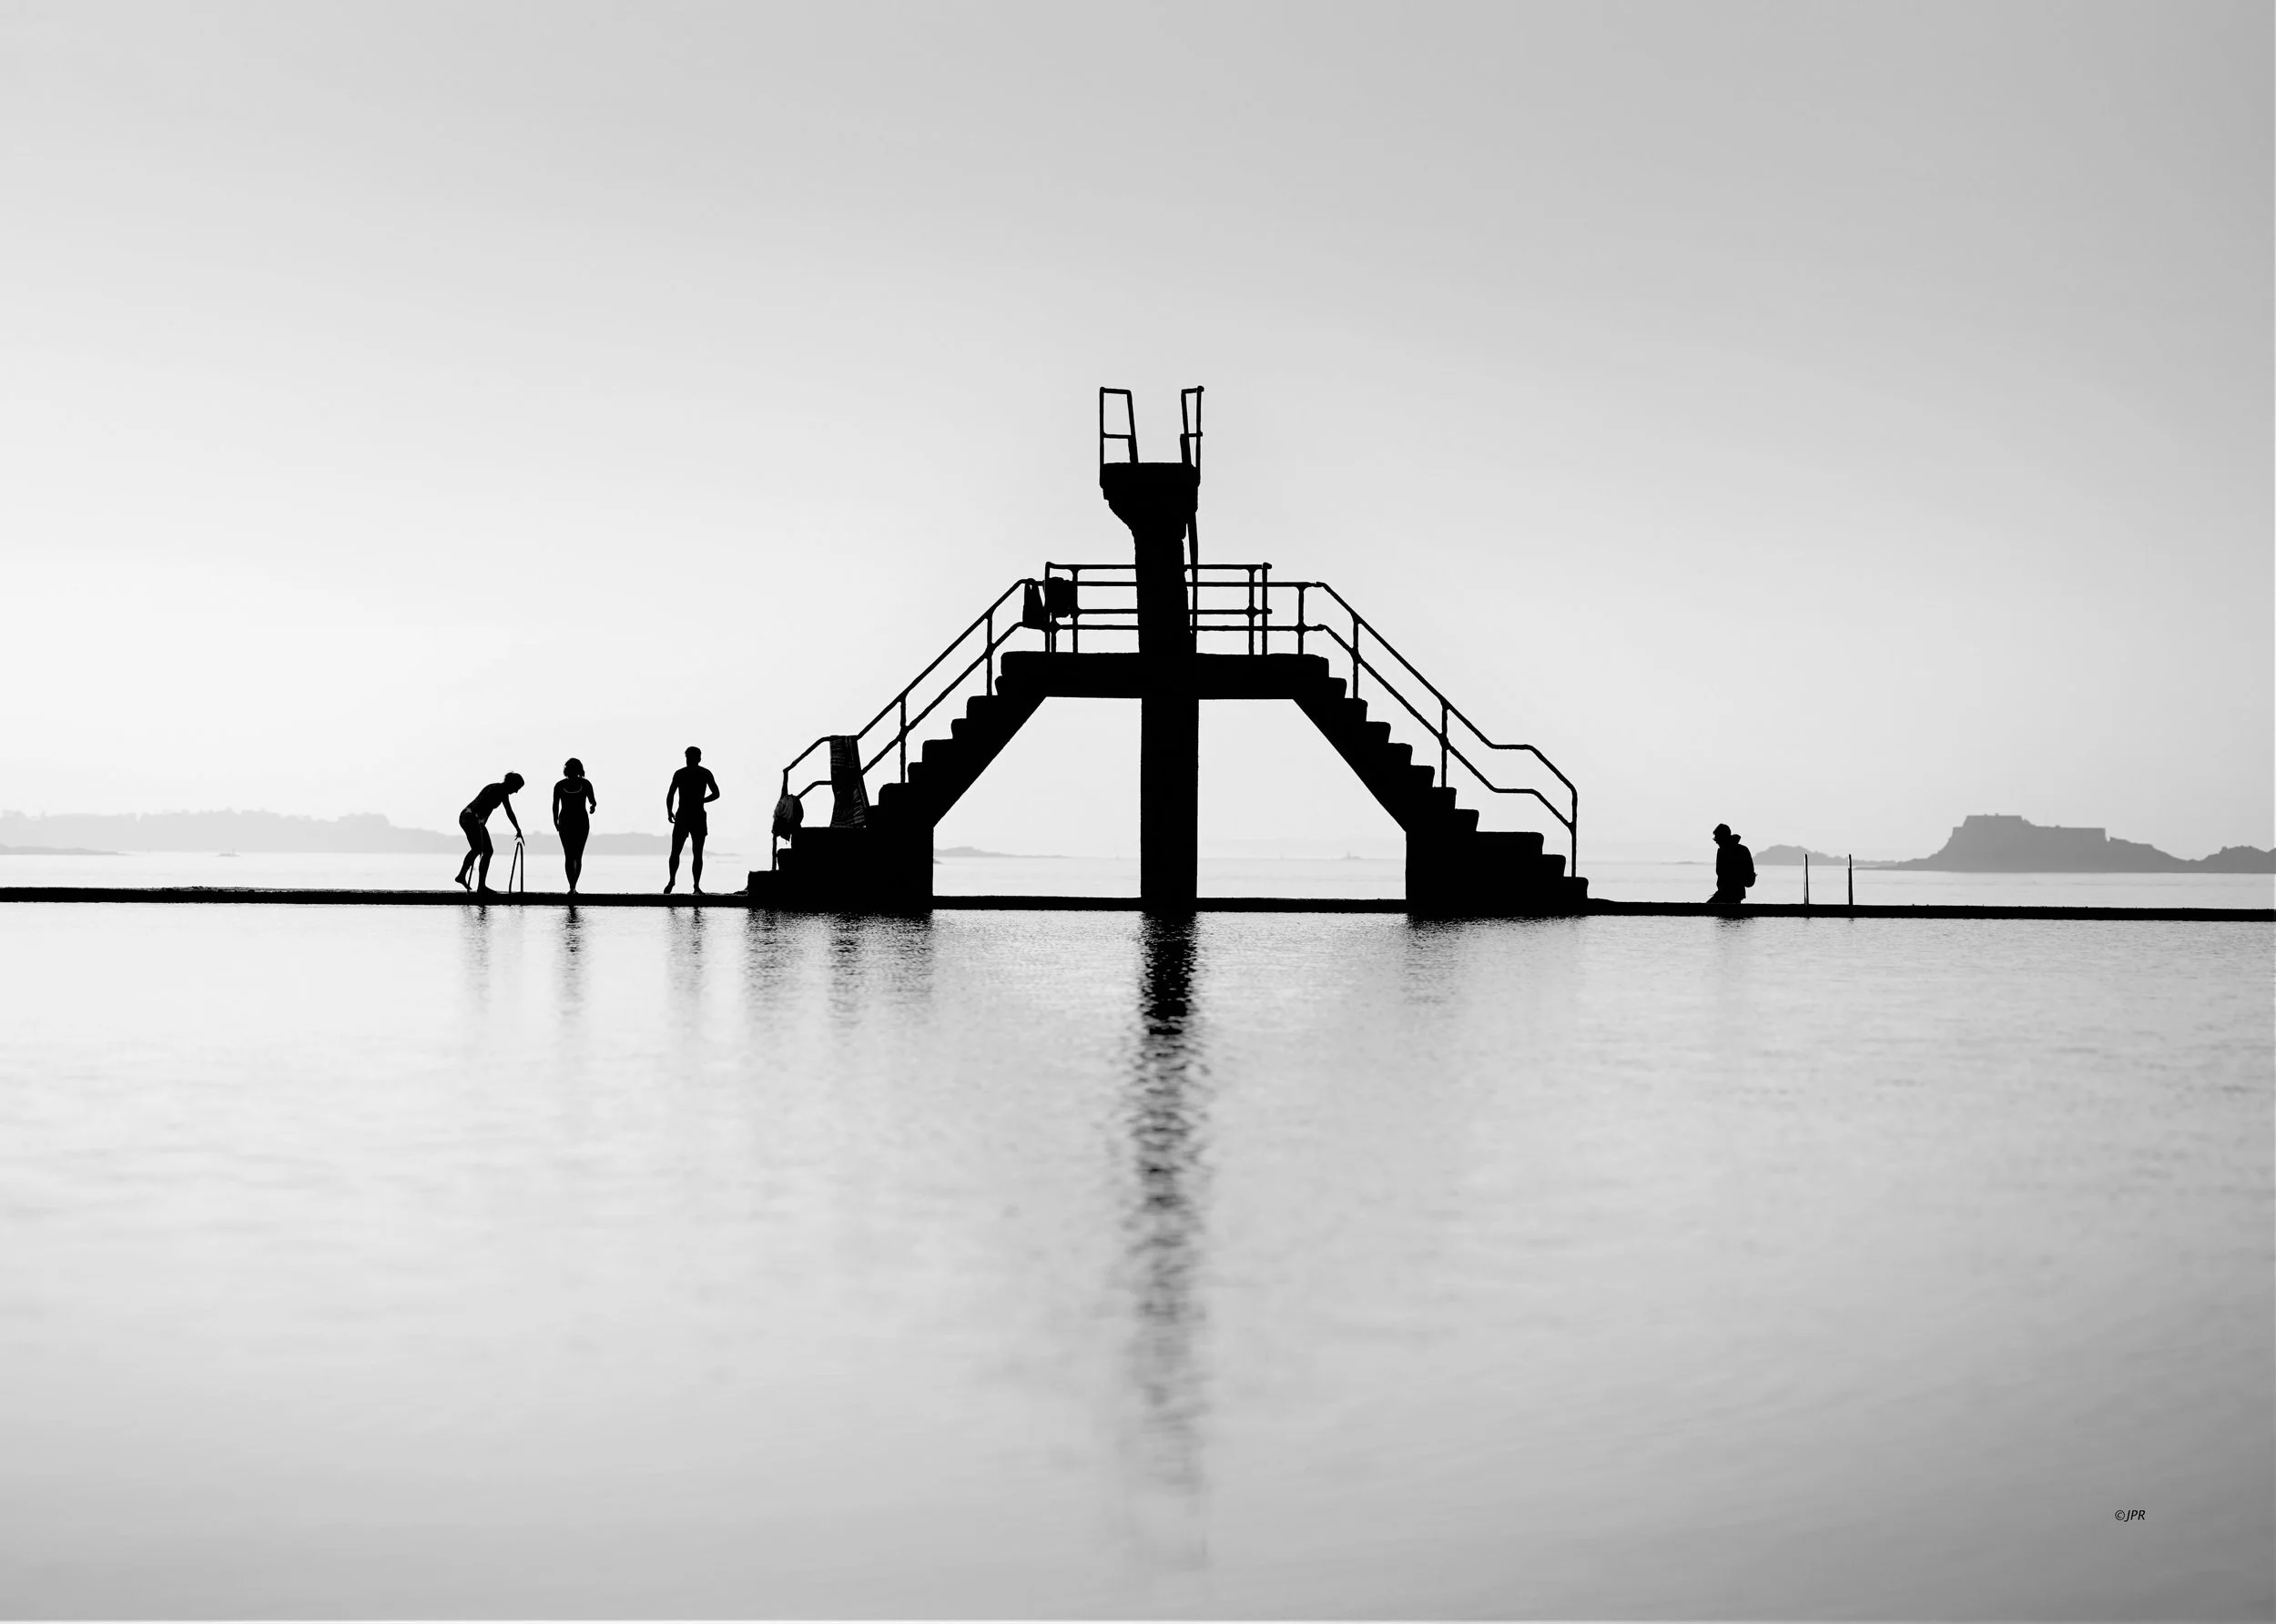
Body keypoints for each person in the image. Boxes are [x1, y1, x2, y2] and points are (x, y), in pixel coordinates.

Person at [454, 773, 525, 893]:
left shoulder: (498, 789)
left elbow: (487, 809)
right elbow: (509, 812)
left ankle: (471, 880)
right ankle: (474, 882)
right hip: (470, 818)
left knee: (483, 850)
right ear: (511, 784)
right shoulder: (499, 790)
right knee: (482, 850)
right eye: (516, 788)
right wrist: (518, 829)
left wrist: (481, 825)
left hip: (471, 818)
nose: (516, 792)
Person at [665, 746, 721, 894]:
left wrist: (669, 811)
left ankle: (675, 881)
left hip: (685, 814)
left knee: (677, 851)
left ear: (687, 758)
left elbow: (670, 794)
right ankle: (694, 886)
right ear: (699, 758)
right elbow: (716, 794)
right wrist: (702, 800)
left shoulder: (681, 773)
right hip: (695, 814)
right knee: (695, 853)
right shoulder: (704, 773)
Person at [553, 758, 597, 893]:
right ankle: (571, 887)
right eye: (569, 769)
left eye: (574, 769)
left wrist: (592, 807)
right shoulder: (559, 785)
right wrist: (555, 821)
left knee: (577, 855)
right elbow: (555, 805)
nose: (571, 772)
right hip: (565, 822)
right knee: (569, 855)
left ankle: (573, 887)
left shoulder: (586, 784)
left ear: (578, 770)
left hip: (581, 822)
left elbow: (593, 801)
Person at [1710, 822, 1755, 908]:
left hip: (1729, 894)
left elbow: (1722, 873)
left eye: (1717, 839)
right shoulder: (1742, 849)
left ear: (1723, 838)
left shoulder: (1725, 852)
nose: (1716, 842)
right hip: (1734, 894)